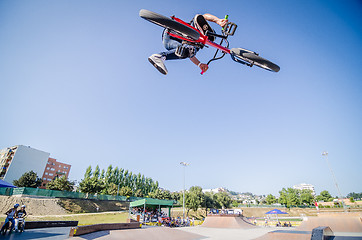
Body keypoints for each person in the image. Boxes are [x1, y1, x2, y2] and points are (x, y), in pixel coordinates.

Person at [148, 13, 228, 75]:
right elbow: (203, 16)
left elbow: (190, 55)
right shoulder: (195, 25)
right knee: (193, 41)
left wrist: (199, 64)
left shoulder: (197, 46)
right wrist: (217, 20)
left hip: (170, 42)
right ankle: (200, 31)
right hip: (174, 32)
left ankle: (159, 57)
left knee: (188, 51)